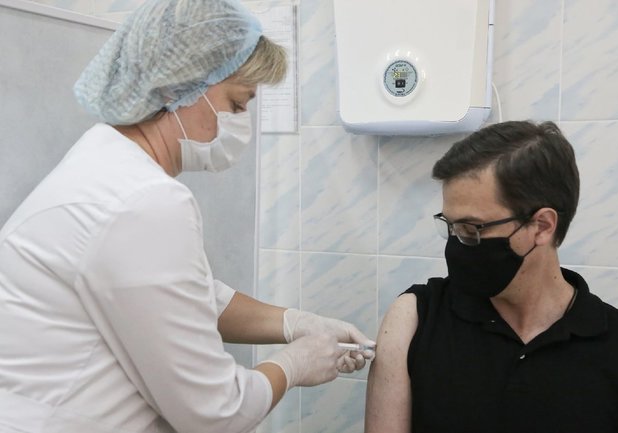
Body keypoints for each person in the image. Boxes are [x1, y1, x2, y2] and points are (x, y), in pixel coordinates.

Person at [0, 1, 375, 432]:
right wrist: (294, 364)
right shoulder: (142, 200)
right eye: (237, 104)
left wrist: (297, 324)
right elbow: (217, 413)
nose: (242, 123)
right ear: (175, 87)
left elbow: (189, 298)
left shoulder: (104, 167)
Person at [365, 120, 618, 433]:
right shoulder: (417, 318)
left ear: (542, 226)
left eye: (471, 229)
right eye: (451, 226)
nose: (456, 244)